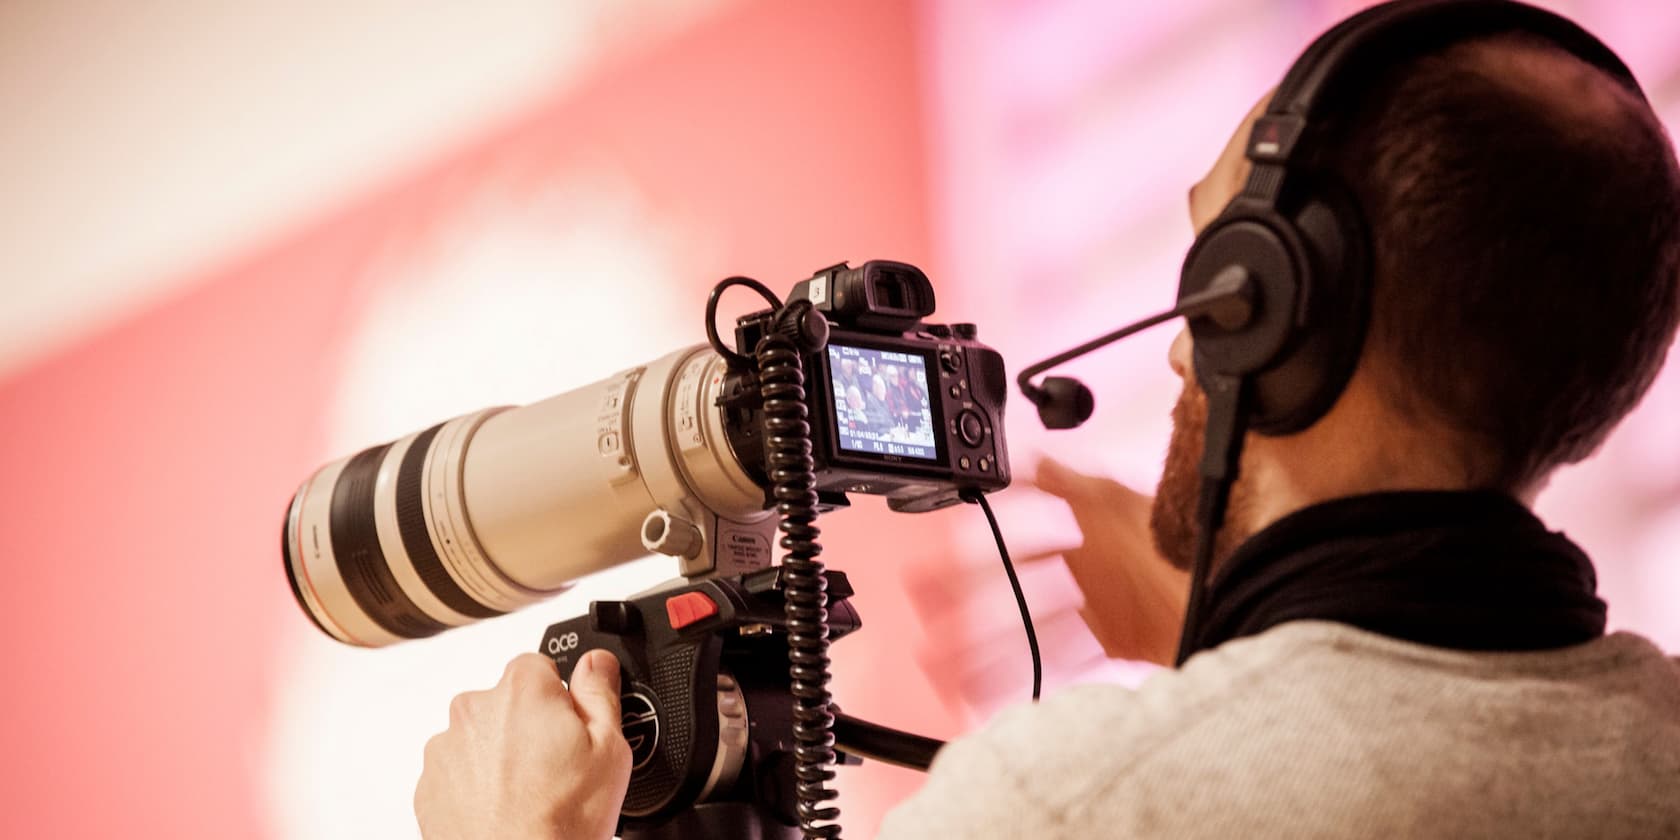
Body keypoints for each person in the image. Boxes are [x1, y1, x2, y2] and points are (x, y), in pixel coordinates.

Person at [413, 9, 1680, 839]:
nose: (1185, 344)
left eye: (1206, 266)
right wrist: (1227, 661)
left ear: (1273, 310)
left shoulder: (1079, 802)